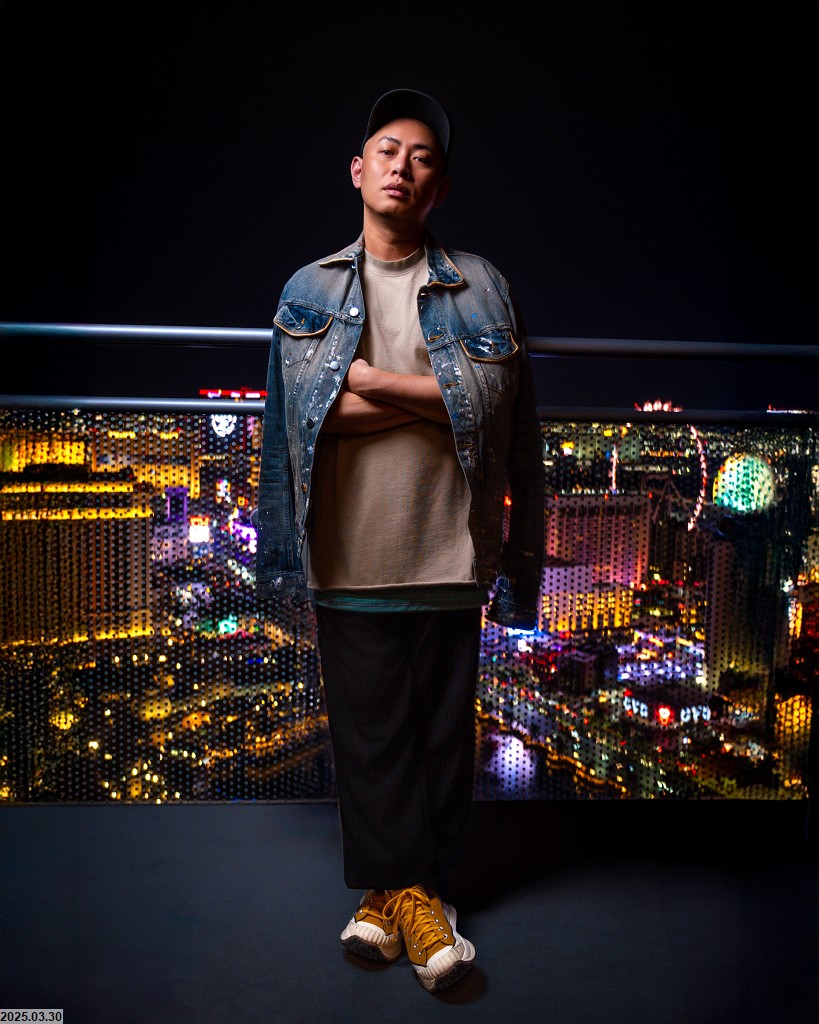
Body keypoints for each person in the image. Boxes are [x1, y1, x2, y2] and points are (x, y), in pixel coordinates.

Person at [255, 88, 545, 993]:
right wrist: (433, 404)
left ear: (439, 188)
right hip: (349, 548)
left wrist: (370, 383)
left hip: (450, 546)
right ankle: (420, 901)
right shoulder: (308, 289)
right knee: (368, 734)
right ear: (357, 170)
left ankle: (392, 900)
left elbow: (492, 407)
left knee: (440, 735)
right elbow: (302, 416)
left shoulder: (482, 285)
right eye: (386, 150)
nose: (401, 167)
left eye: (421, 157)